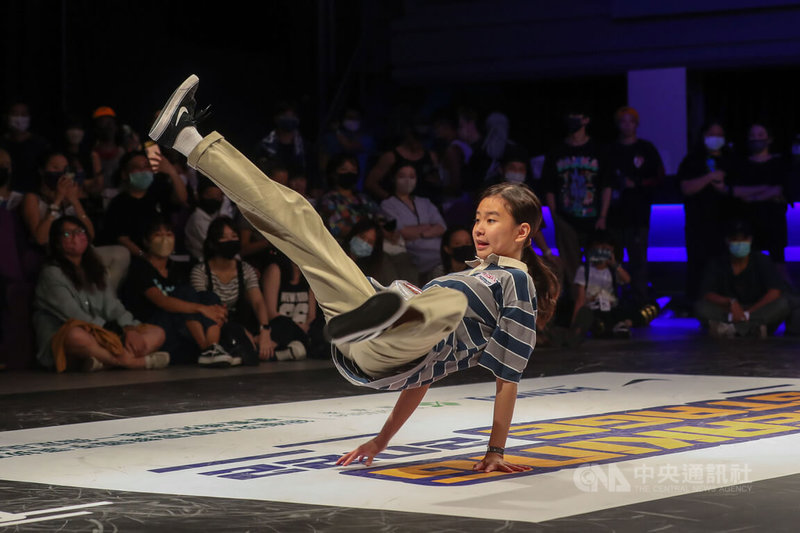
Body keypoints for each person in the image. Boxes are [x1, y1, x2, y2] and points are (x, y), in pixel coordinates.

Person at [148, 74, 559, 472]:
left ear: (522, 231)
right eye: (477, 218)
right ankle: (187, 138)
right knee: (300, 220)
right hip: (374, 344)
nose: (479, 228)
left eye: (491, 220)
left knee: (444, 303)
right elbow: (425, 378)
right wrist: (381, 440)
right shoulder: (467, 277)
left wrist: (495, 450)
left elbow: (507, 380)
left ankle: (397, 305)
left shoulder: (514, 281)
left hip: (397, 345)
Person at [32, 215, 169, 372]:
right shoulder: (51, 273)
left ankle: (101, 361)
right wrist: (113, 334)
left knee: (158, 333)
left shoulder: (96, 269)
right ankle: (130, 362)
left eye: (80, 231)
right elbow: (74, 315)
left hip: (105, 334)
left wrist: (129, 329)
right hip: (72, 336)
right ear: (56, 242)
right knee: (76, 336)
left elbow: (112, 305)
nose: (76, 237)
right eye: (68, 234)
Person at [122, 216, 229, 365]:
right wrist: (202, 309)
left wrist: (211, 309)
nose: (165, 239)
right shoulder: (140, 268)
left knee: (208, 296)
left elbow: (196, 301)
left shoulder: (177, 269)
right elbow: (162, 301)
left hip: (181, 328)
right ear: (146, 241)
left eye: (169, 234)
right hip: (153, 324)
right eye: (158, 235)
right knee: (185, 296)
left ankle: (212, 347)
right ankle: (207, 349)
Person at [542, 108, 611, 295]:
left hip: (593, 218)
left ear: (586, 119)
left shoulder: (598, 150)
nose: (573, 119)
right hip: (566, 218)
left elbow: (606, 185)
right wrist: (555, 216)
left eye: (577, 115)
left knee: (598, 263)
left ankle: (599, 304)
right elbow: (549, 186)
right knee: (570, 265)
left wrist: (603, 215)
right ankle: (576, 305)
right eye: (570, 115)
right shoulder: (557, 151)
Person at [605, 106, 665, 306]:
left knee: (639, 261)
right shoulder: (611, 150)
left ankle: (640, 302)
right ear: (617, 124)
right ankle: (613, 301)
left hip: (638, 216)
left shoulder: (646, 149)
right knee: (614, 261)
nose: (627, 125)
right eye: (623, 121)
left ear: (637, 125)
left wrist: (637, 184)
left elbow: (659, 177)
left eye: (631, 121)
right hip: (614, 215)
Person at [190, 216, 272, 361]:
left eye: (234, 236)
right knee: (240, 342)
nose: (230, 241)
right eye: (224, 238)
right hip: (215, 325)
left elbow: (258, 301)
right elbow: (204, 307)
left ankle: (266, 347)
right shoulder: (201, 271)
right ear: (213, 243)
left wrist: (264, 330)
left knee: (283, 325)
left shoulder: (245, 269)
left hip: (242, 320)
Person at [677, 119, 737, 305]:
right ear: (703, 137)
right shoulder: (692, 160)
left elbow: (738, 189)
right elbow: (686, 187)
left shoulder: (731, 160)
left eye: (719, 135)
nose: (716, 139)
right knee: (698, 264)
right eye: (712, 135)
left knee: (726, 264)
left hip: (726, 222)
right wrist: (710, 177)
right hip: (698, 223)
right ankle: (696, 303)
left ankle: (728, 302)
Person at [695, 220, 790, 338]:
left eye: (743, 239)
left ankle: (731, 329)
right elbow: (707, 293)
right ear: (727, 241)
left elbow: (775, 291)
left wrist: (747, 313)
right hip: (728, 310)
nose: (740, 243)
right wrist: (731, 302)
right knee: (701, 307)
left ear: (750, 240)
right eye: (735, 239)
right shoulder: (717, 263)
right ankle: (753, 329)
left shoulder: (761, 260)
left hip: (756, 309)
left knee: (783, 304)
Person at [730, 123, 790, 281]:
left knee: (778, 262)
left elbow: (779, 190)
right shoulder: (741, 165)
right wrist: (765, 190)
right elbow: (736, 191)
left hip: (774, 220)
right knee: (748, 261)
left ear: (769, 139)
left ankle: (785, 297)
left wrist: (753, 196)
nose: (756, 139)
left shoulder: (779, 164)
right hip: (749, 220)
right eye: (753, 135)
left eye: (760, 135)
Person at [101, 150, 188, 258]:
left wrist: (172, 172)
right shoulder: (119, 203)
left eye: (146, 166)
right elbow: (122, 238)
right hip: (137, 258)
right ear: (124, 174)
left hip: (166, 252)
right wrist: (145, 256)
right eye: (137, 168)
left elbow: (181, 198)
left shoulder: (159, 191)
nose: (143, 171)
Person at [380, 164, 447, 284]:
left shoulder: (424, 202)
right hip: (414, 252)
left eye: (412, 176)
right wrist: (429, 228)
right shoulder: (388, 205)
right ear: (393, 178)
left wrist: (419, 233)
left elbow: (442, 227)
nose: (408, 180)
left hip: (438, 246)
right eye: (402, 176)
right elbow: (402, 232)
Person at [570, 230, 634, 339]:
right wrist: (574, 326)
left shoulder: (613, 270)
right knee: (598, 322)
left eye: (606, 249)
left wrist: (614, 264)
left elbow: (627, 280)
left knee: (637, 310)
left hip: (611, 308)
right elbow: (580, 300)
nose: (602, 252)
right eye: (599, 249)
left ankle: (620, 325)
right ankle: (612, 328)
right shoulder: (584, 270)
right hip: (593, 309)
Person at [364, 116, 440, 203]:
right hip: (400, 210)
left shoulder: (431, 156)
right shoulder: (390, 157)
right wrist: (394, 201)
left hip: (426, 208)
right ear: (407, 133)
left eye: (422, 138)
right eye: (416, 137)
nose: (418, 141)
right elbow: (370, 183)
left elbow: (438, 182)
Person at [263, 252, 318, 360]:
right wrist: (298, 327)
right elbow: (270, 313)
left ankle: (286, 352)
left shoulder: (309, 274)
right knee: (286, 328)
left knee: (321, 331)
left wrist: (306, 326)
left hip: (303, 329)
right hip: (281, 327)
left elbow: (312, 315)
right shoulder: (276, 270)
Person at [318, 154, 381, 243]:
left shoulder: (364, 199)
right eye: (344, 170)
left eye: (353, 170)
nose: (349, 173)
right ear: (333, 174)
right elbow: (333, 227)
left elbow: (379, 218)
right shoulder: (328, 200)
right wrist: (361, 234)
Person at [2, 103, 51, 193]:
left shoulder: (40, 144)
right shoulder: (2, 144)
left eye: (23, 114)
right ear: (6, 117)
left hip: (33, 196)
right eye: (15, 114)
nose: (19, 118)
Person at [184, 176, 226, 261]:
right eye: (211, 197)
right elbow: (215, 245)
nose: (215, 200)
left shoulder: (216, 215)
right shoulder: (197, 219)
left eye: (218, 197)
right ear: (200, 196)